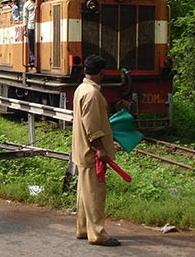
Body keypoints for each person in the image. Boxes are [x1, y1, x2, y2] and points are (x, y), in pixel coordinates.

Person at [71, 54, 120, 247]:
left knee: (85, 193)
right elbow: (91, 126)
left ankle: (83, 229)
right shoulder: (92, 94)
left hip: (82, 150)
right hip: (91, 153)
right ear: (102, 73)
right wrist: (100, 148)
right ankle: (98, 234)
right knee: (95, 194)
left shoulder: (81, 89)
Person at [23, 0, 36, 67]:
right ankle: (32, 60)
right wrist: (25, 29)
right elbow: (25, 17)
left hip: (38, 26)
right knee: (31, 44)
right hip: (31, 26)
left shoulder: (37, 2)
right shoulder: (26, 4)